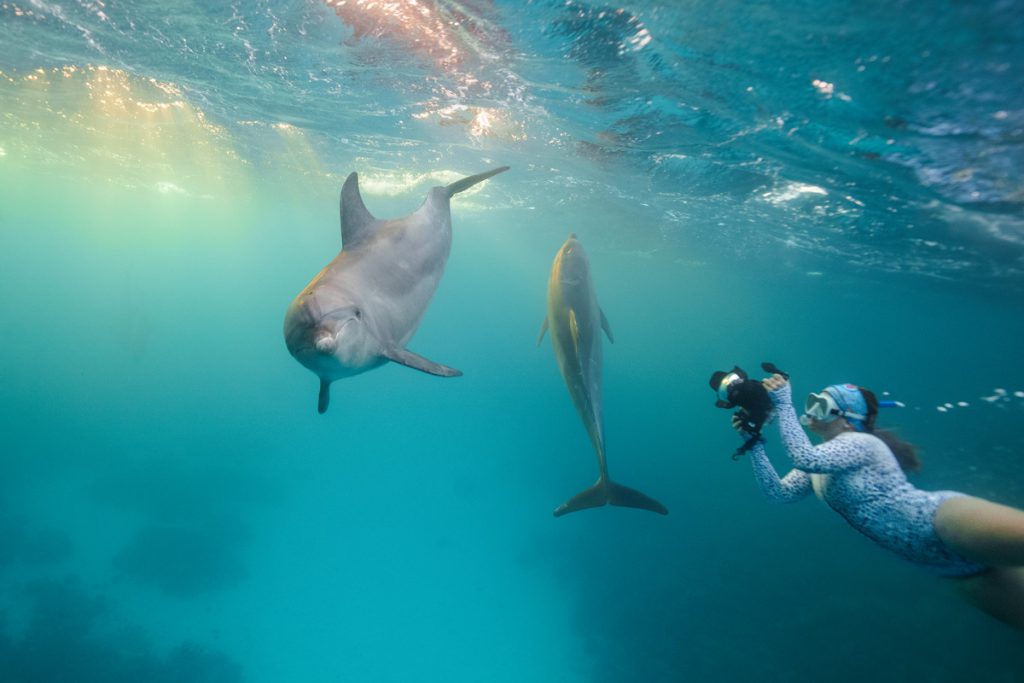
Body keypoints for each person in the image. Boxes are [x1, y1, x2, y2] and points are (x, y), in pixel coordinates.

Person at [736, 374, 1024, 628]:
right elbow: (779, 494)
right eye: (811, 402)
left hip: (939, 521)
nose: (811, 411)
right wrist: (755, 445)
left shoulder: (862, 443)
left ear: (847, 418)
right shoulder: (822, 465)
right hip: (949, 568)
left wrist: (785, 404)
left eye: (820, 405)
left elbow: (805, 457)